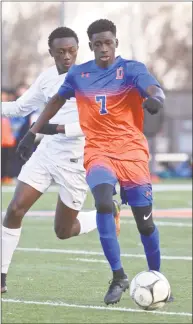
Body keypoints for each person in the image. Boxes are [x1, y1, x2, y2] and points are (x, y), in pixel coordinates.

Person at [16, 19, 172, 306]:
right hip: (98, 151)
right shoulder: (79, 74)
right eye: (98, 44)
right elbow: (54, 103)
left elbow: (154, 89)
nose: (103, 48)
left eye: (108, 42)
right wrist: (32, 132)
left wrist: (156, 100)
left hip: (133, 153)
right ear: (90, 46)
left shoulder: (131, 70)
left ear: (116, 43)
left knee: (145, 224)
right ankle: (118, 276)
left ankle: (157, 277)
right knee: (102, 201)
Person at [1, 26, 121, 294]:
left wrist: (55, 129)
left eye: (72, 51)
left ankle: (108, 212)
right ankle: (1, 276)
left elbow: (96, 123)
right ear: (51, 53)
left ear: (79, 50)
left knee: (64, 231)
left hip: (76, 160)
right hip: (47, 154)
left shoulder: (93, 78)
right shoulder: (46, 78)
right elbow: (21, 107)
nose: (67, 56)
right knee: (14, 209)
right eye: (61, 52)